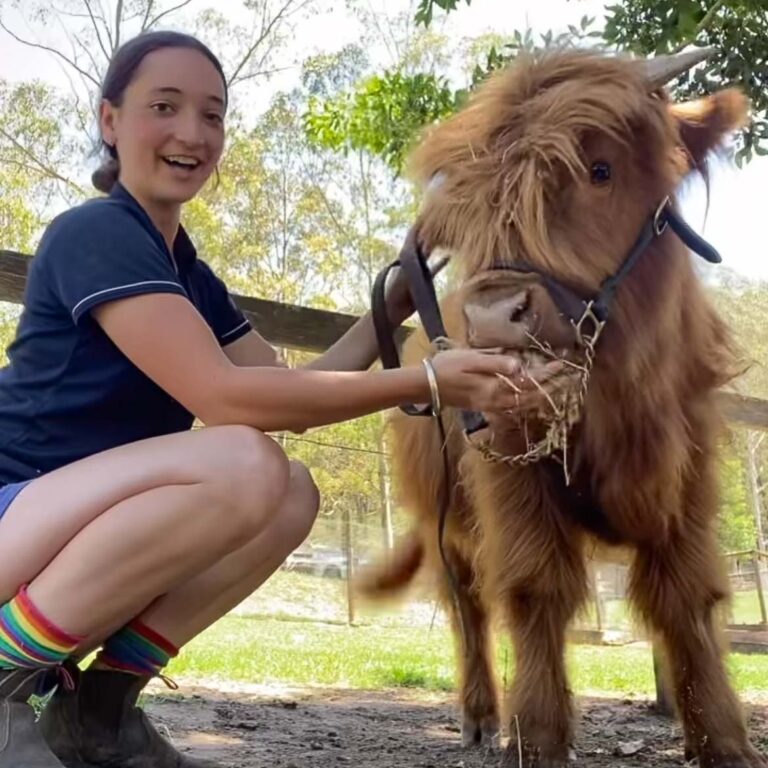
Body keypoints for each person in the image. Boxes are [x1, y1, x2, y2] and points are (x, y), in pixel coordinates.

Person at [0, 30, 574, 768]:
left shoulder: (185, 271)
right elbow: (225, 396)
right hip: (17, 513)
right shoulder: (96, 234)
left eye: (212, 115)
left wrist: (393, 304)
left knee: (289, 490)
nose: (191, 132)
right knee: (244, 461)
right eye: (164, 107)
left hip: (61, 531)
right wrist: (429, 381)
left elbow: (290, 393)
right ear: (110, 122)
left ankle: (102, 711)